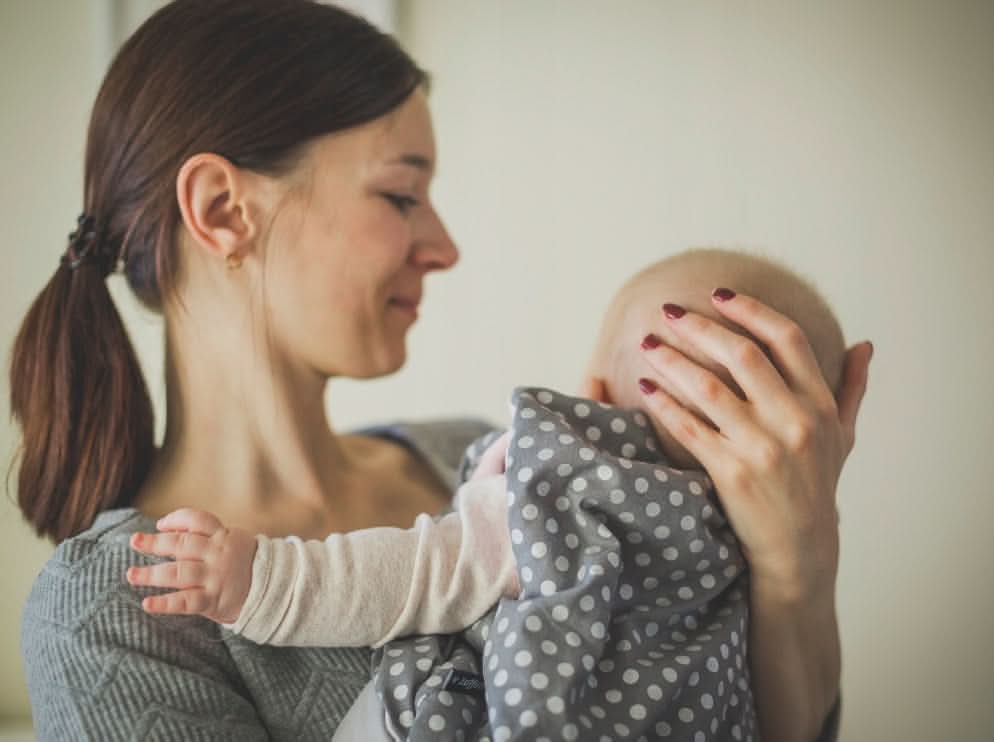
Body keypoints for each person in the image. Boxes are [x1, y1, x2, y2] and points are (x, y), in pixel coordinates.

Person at [9, 1, 872, 740]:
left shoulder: (484, 459)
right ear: (224, 209)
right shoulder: (119, 614)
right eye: (399, 194)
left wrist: (797, 560)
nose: (445, 246)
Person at [124, 247, 847, 740]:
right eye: (400, 194)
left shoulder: (559, 489)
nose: (442, 246)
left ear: (588, 395)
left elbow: (416, 573)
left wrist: (259, 579)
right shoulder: (737, 554)